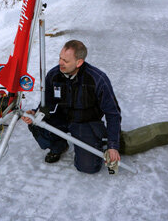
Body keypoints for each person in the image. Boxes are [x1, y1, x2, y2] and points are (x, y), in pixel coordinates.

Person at [22, 40, 121, 174]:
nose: (60, 63)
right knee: (36, 123)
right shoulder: (53, 75)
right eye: (60, 58)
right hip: (62, 117)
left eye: (66, 61)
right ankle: (58, 146)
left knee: (88, 167)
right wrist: (35, 113)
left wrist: (113, 145)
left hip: (84, 122)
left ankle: (98, 140)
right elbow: (47, 103)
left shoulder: (97, 79)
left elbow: (113, 114)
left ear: (79, 62)